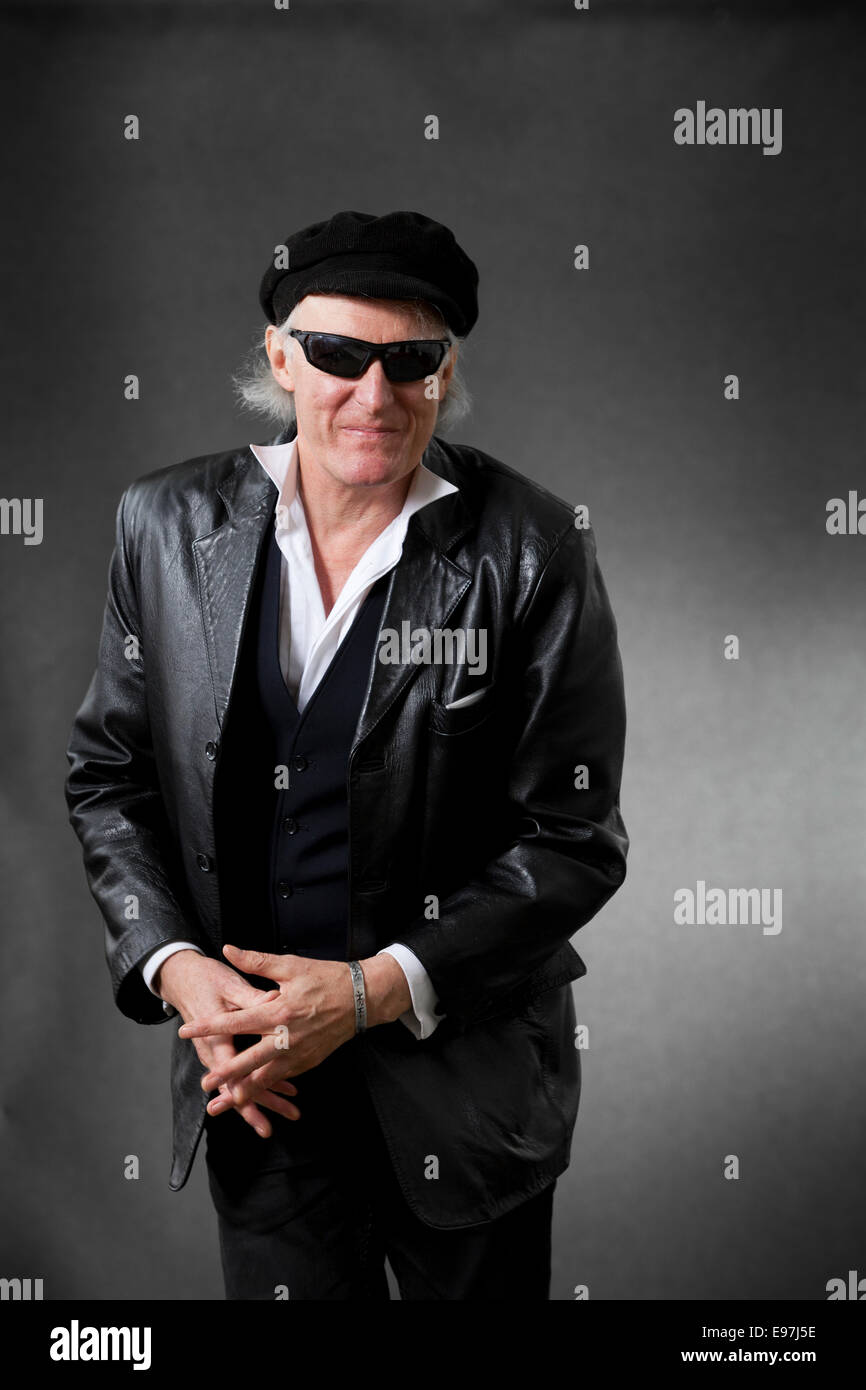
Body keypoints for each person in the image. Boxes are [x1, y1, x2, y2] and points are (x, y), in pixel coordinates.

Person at [65, 208, 629, 1300]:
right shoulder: (162, 526)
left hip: (466, 1095)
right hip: (257, 1084)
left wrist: (372, 989)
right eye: (335, 354)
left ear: (444, 368)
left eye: (408, 360)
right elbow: (110, 777)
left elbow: (572, 839)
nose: (373, 394)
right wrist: (181, 973)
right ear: (279, 354)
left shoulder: (534, 548)